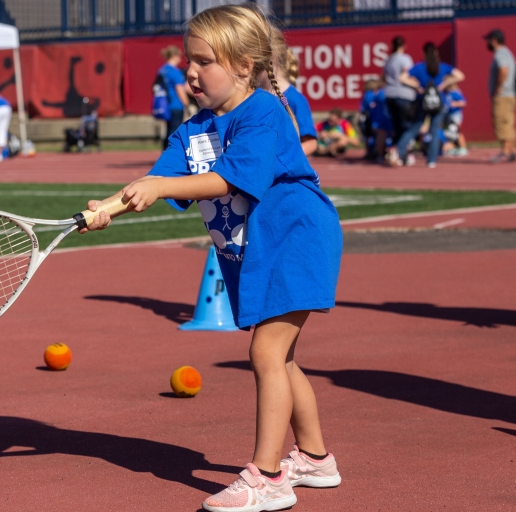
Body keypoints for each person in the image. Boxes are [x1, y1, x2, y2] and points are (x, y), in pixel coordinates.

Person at [81, 5, 342, 511]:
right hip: (253, 250)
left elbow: (229, 179)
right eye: (188, 60)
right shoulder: (191, 130)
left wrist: (159, 187)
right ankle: (315, 458)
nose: (191, 72)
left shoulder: (263, 111)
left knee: (266, 353)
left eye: (205, 61)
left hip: (295, 237)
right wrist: (109, 208)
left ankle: (266, 478)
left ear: (245, 65)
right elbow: (156, 180)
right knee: (281, 358)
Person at [396, 42, 464, 168]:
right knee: (434, 131)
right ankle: (432, 160)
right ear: (436, 53)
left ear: (423, 53)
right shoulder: (442, 67)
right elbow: (460, 75)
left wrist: (417, 87)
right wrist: (444, 84)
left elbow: (402, 78)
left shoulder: (419, 67)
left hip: (423, 102)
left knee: (414, 128)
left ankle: (399, 152)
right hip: (439, 103)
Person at [382, 36, 419, 166]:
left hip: (389, 94)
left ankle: (397, 152)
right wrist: (417, 86)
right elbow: (406, 76)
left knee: (397, 126)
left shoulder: (388, 59)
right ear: (404, 45)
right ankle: (400, 152)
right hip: (404, 95)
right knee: (407, 126)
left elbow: (384, 77)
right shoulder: (405, 58)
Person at [485, 29, 516, 163]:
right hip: (510, 94)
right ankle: (510, 150)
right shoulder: (508, 52)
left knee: (501, 122)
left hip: (503, 95)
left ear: (494, 40)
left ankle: (505, 151)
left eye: (488, 40)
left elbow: (503, 70)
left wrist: (498, 88)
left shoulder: (500, 54)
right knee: (508, 123)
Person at [156, 45, 190, 149]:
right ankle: (171, 153)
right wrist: (187, 104)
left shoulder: (162, 70)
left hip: (165, 104)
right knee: (175, 131)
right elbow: (180, 90)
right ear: (175, 56)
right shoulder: (175, 72)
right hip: (176, 104)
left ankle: (165, 152)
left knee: (168, 130)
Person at [444, 83, 468, 156]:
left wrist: (454, 104)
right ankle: (452, 147)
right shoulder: (446, 93)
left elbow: (464, 102)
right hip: (448, 115)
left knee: (457, 131)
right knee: (450, 132)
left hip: (455, 115)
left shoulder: (455, 92)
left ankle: (463, 148)